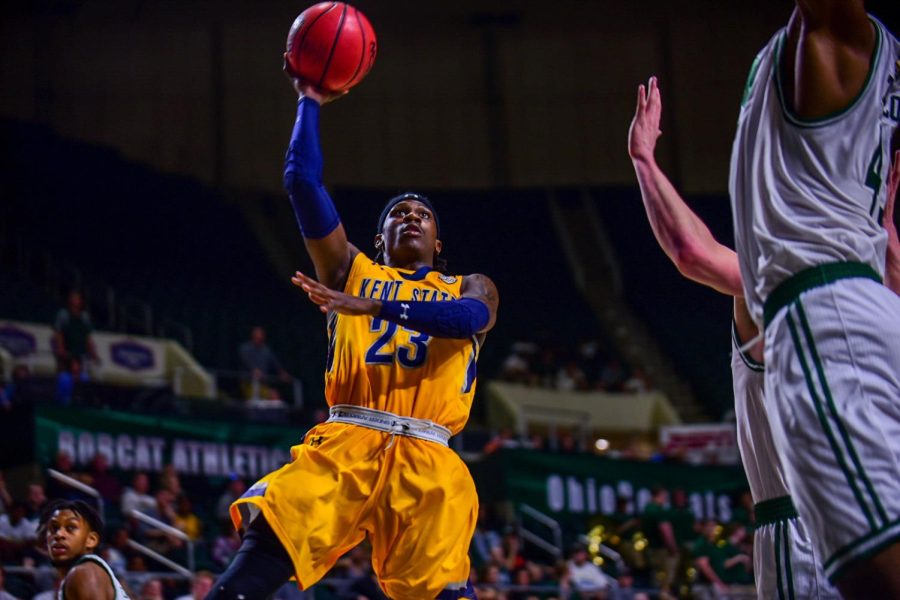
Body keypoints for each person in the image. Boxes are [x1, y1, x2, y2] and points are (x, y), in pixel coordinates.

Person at [208, 58, 498, 600]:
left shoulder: (470, 285)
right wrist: (310, 100)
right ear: (380, 237)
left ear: (438, 243)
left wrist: (375, 308)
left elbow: (469, 322)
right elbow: (300, 181)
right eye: (397, 213)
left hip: (430, 459)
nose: (409, 217)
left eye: (422, 214)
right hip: (348, 438)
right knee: (251, 567)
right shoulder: (351, 271)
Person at [629, 77, 900, 596]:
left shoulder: (863, 296)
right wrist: (645, 160)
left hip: (876, 513)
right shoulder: (769, 288)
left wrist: (884, 224)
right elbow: (693, 253)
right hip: (803, 527)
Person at [728, 2, 900, 596]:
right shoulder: (823, 62)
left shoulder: (832, 40)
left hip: (824, 306)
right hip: (864, 301)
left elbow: (693, 254)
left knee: (871, 571)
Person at [39, 499, 130, 599]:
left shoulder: (84, 572)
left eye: (71, 527)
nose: (59, 534)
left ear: (91, 540)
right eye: (54, 528)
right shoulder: (87, 572)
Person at [238, 326, 292, 400]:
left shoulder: (266, 350)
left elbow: (274, 362)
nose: (258, 338)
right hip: (248, 383)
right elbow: (246, 360)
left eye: (260, 336)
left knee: (274, 395)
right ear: (252, 336)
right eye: (256, 336)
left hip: (262, 383)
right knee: (270, 396)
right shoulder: (245, 348)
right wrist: (254, 370)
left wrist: (282, 372)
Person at [52, 291, 98, 368]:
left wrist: (93, 353)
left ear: (80, 301)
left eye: (77, 299)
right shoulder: (63, 314)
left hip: (81, 353)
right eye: (73, 298)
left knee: (83, 377)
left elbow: (88, 337)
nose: (74, 301)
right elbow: (58, 333)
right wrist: (61, 349)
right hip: (67, 352)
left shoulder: (85, 316)